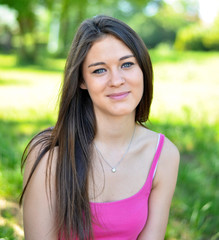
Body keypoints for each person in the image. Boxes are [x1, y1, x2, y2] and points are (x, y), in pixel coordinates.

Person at [20, 15, 180, 240]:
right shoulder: (50, 154)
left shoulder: (163, 155)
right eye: (99, 70)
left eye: (127, 64)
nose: (116, 80)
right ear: (82, 80)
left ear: (143, 68)